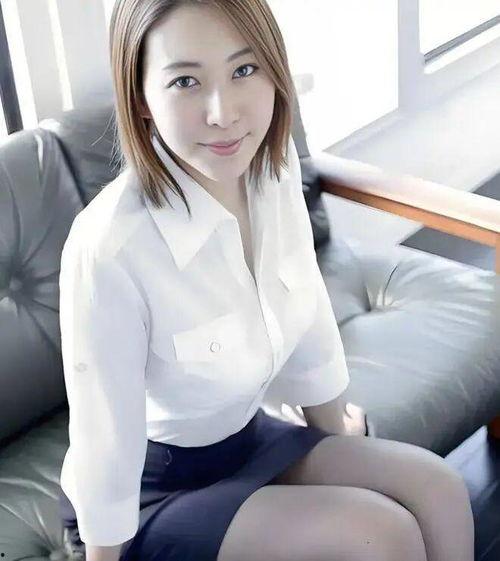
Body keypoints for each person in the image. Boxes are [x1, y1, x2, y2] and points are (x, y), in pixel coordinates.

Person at [57, 1, 475, 560]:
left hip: (249, 440)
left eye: (244, 69)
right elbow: (106, 443)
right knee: (381, 534)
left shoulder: (271, 171)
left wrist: (335, 434)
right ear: (140, 99)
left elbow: (308, 316)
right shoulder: (109, 247)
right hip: (148, 493)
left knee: (439, 489)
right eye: (185, 81)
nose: (223, 113)